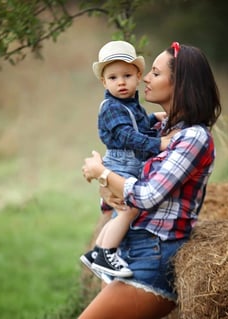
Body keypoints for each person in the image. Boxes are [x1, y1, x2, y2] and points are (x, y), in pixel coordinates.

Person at [80, 41, 222, 319]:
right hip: (127, 249)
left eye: (155, 73)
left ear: (179, 84)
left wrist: (103, 174)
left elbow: (147, 195)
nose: (145, 78)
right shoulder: (158, 129)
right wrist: (103, 181)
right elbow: (119, 185)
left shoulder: (194, 137)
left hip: (153, 256)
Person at [80, 40, 171, 278]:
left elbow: (137, 124)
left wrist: (152, 119)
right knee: (130, 209)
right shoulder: (110, 107)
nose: (120, 82)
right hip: (121, 164)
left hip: (129, 163)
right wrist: (158, 143)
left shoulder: (130, 103)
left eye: (127, 75)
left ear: (138, 75)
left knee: (122, 211)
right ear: (104, 82)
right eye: (113, 78)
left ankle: (95, 253)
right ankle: (105, 252)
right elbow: (127, 136)